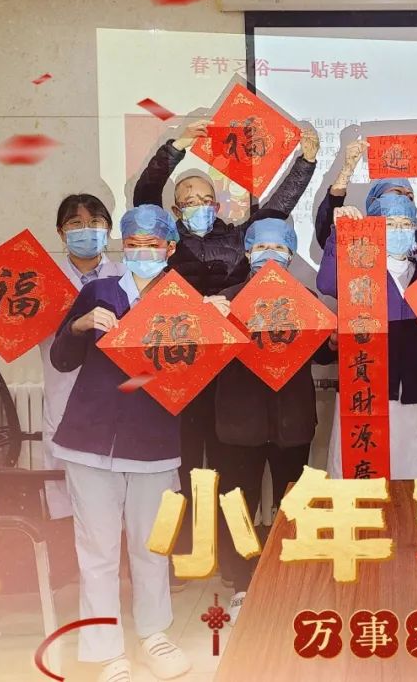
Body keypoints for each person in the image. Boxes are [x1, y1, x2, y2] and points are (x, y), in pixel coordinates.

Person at [49, 205, 229, 682]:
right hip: (89, 440)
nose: (142, 253)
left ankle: (153, 634)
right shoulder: (99, 292)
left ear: (170, 249)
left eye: (152, 245)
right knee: (98, 550)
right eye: (133, 245)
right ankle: (106, 650)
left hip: (154, 441)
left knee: (152, 546)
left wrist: (218, 324)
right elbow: (62, 359)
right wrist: (78, 326)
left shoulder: (185, 301)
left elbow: (199, 375)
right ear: (122, 246)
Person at [132, 117, 320, 547]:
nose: (198, 205)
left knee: (226, 473)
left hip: (231, 373)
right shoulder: (166, 243)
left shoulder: (239, 240)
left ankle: (225, 552)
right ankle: (184, 550)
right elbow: (145, 196)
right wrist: (177, 146)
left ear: (217, 205)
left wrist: (305, 163)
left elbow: (276, 211)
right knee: (180, 466)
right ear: (175, 210)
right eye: (188, 200)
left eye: (205, 199)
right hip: (180, 368)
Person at [0, 194, 125, 526]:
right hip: (65, 400)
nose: (86, 230)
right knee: (70, 502)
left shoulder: (127, 275)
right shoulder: (40, 282)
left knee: (120, 501)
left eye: (95, 222)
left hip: (119, 404)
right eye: (75, 223)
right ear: (61, 232)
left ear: (108, 229)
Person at [213, 218, 335, 591]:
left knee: (292, 501)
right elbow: (208, 361)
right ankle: (239, 581)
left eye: (279, 247)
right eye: (262, 247)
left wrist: (330, 340)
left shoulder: (306, 298)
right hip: (239, 422)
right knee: (238, 502)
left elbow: (320, 356)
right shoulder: (226, 300)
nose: (270, 254)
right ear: (247, 251)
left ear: (291, 253)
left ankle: (290, 577)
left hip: (292, 421)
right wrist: (210, 321)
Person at [317, 191, 417, 479]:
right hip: (365, 386)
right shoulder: (360, 270)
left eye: (405, 223)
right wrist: (338, 235)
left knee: (407, 469)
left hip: (412, 389)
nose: (399, 230)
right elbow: (327, 283)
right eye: (390, 223)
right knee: (357, 468)